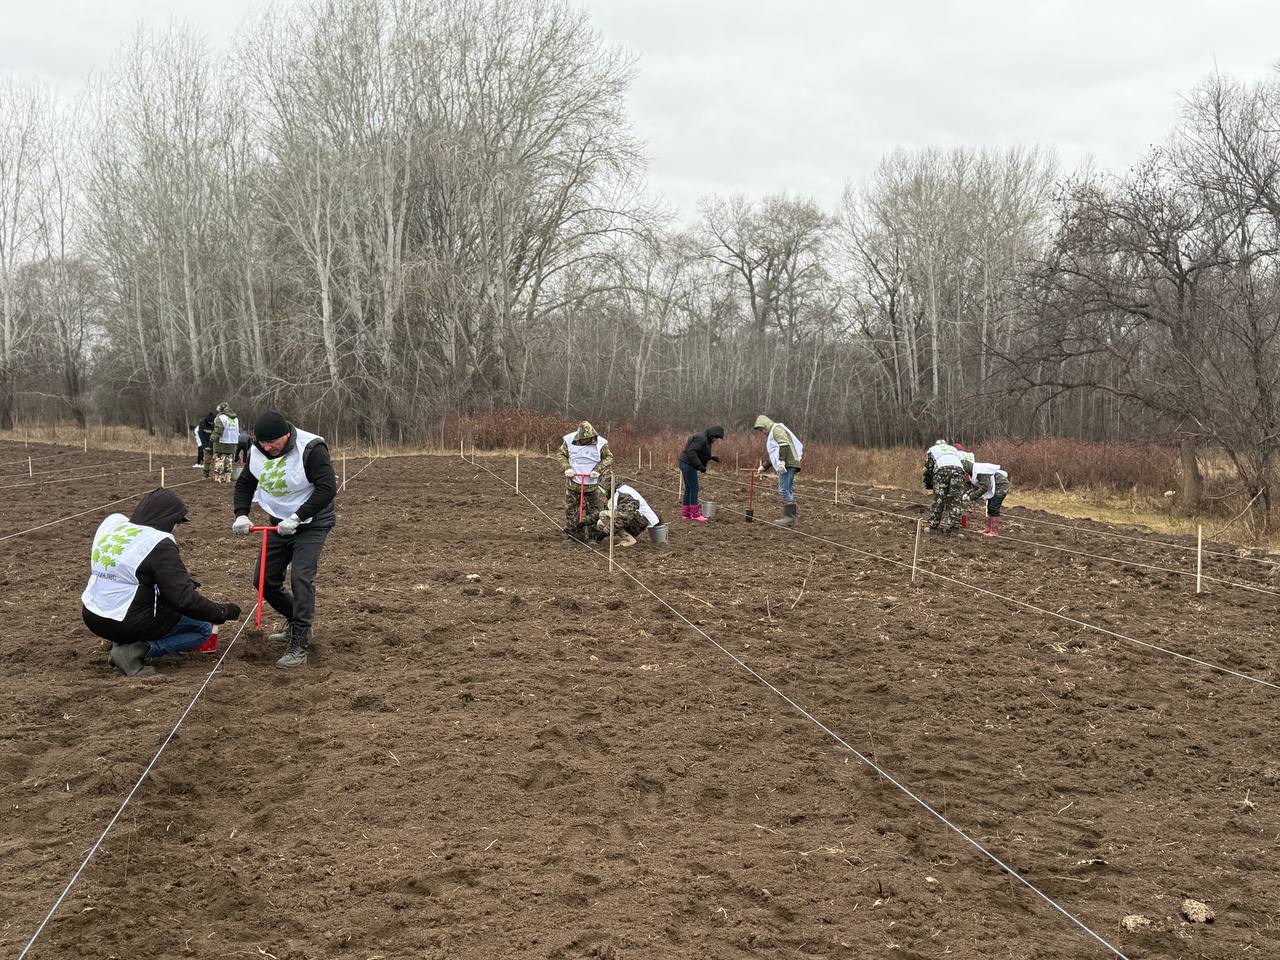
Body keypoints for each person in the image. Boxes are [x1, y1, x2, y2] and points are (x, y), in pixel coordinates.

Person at [81, 489, 241, 677]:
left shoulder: (114, 527)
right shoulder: (158, 542)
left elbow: (130, 571)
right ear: (166, 519)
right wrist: (222, 611)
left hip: (93, 615)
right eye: (176, 523)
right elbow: (183, 600)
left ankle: (120, 641)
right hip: (125, 621)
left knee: (146, 599)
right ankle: (136, 650)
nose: (175, 528)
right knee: (202, 629)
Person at [232, 411, 337, 668]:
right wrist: (241, 514)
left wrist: (298, 517)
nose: (267, 448)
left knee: (301, 578)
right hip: (279, 523)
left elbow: (327, 488)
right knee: (264, 580)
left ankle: (299, 642)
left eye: (272, 442)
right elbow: (245, 483)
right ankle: (294, 620)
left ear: (286, 435)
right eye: (262, 443)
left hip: (312, 522)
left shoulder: (311, 448)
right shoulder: (257, 451)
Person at [557, 421, 613, 541]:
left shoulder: (601, 443)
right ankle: (574, 536)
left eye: (588, 439)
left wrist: (598, 469)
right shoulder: (569, 440)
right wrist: (566, 467)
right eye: (583, 439)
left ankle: (593, 537)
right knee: (571, 510)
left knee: (594, 511)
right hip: (573, 482)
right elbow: (561, 454)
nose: (585, 441)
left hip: (593, 484)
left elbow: (608, 457)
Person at [753, 415, 803, 525]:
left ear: (766, 425)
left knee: (784, 490)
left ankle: (790, 518)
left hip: (787, 464)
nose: (763, 432)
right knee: (787, 490)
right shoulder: (775, 431)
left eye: (762, 429)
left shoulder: (776, 429)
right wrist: (764, 466)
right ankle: (791, 518)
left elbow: (784, 444)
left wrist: (782, 462)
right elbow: (775, 453)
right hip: (790, 463)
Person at [677, 426, 724, 522]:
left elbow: (701, 452)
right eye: (716, 437)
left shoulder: (704, 438)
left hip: (685, 463)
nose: (716, 440)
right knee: (694, 488)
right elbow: (692, 451)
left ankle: (686, 514)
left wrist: (711, 458)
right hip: (688, 465)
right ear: (712, 435)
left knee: (689, 489)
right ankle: (695, 514)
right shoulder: (701, 439)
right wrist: (699, 465)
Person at [923, 438, 966, 534]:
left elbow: (928, 468)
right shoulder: (953, 449)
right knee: (955, 500)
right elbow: (962, 462)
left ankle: (933, 526)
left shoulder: (933, 450)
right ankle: (954, 528)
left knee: (940, 499)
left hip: (941, 471)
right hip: (958, 471)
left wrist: (929, 484)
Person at [598, 482, 662, 546]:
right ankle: (627, 537)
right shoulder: (622, 490)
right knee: (600, 523)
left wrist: (604, 533)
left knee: (604, 515)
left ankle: (629, 539)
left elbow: (623, 518)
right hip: (638, 519)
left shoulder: (622, 495)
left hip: (641, 522)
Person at [965, 459, 1012, 538]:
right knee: (989, 507)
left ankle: (994, 531)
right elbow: (976, 487)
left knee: (994, 507)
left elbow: (984, 488)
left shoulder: (980, 472)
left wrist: (971, 497)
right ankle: (988, 528)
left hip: (1001, 485)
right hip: (993, 486)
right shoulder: (973, 474)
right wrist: (967, 494)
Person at [206, 402, 241, 483]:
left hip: (222, 442)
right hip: (232, 442)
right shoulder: (235, 418)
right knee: (228, 460)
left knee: (220, 459)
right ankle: (227, 478)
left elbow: (218, 431)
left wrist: (212, 439)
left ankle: (218, 477)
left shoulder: (221, 418)